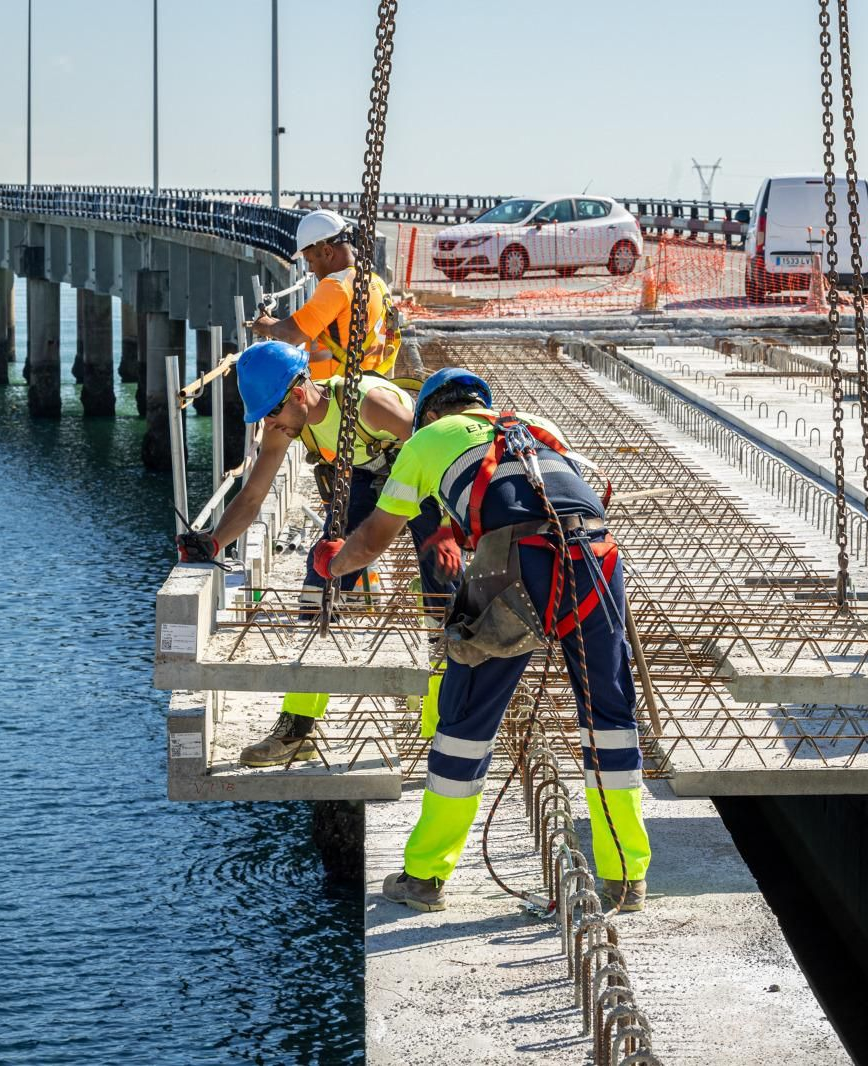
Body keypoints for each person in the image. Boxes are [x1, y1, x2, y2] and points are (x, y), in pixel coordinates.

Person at [307, 368, 653, 913]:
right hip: (598, 557)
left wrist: (335, 563)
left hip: (516, 565)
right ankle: (626, 877)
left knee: (465, 721)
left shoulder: (423, 442)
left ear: (427, 415)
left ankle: (424, 877)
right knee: (608, 717)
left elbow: (374, 538)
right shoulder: (535, 425)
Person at [175, 340, 460, 766]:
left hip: (421, 474)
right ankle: (298, 728)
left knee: (443, 601)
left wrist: (451, 529)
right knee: (320, 585)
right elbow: (253, 496)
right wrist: (214, 541)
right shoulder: (283, 423)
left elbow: (439, 455)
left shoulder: (372, 404)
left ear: (297, 393)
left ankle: (443, 725)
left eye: (272, 412)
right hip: (364, 478)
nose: (272, 424)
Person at [251, 208, 402, 381]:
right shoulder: (376, 282)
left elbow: (292, 333)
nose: (310, 269)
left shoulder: (336, 286)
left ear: (328, 252)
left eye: (310, 260)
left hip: (336, 396)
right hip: (371, 386)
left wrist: (266, 325)